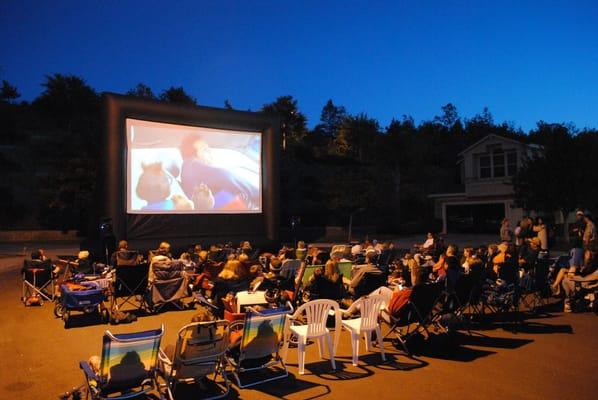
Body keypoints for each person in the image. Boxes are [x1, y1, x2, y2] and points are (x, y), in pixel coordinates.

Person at [179, 134, 258, 210]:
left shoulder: (189, 172)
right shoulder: (192, 165)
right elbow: (227, 177)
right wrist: (260, 193)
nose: (210, 152)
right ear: (194, 155)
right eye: (205, 149)